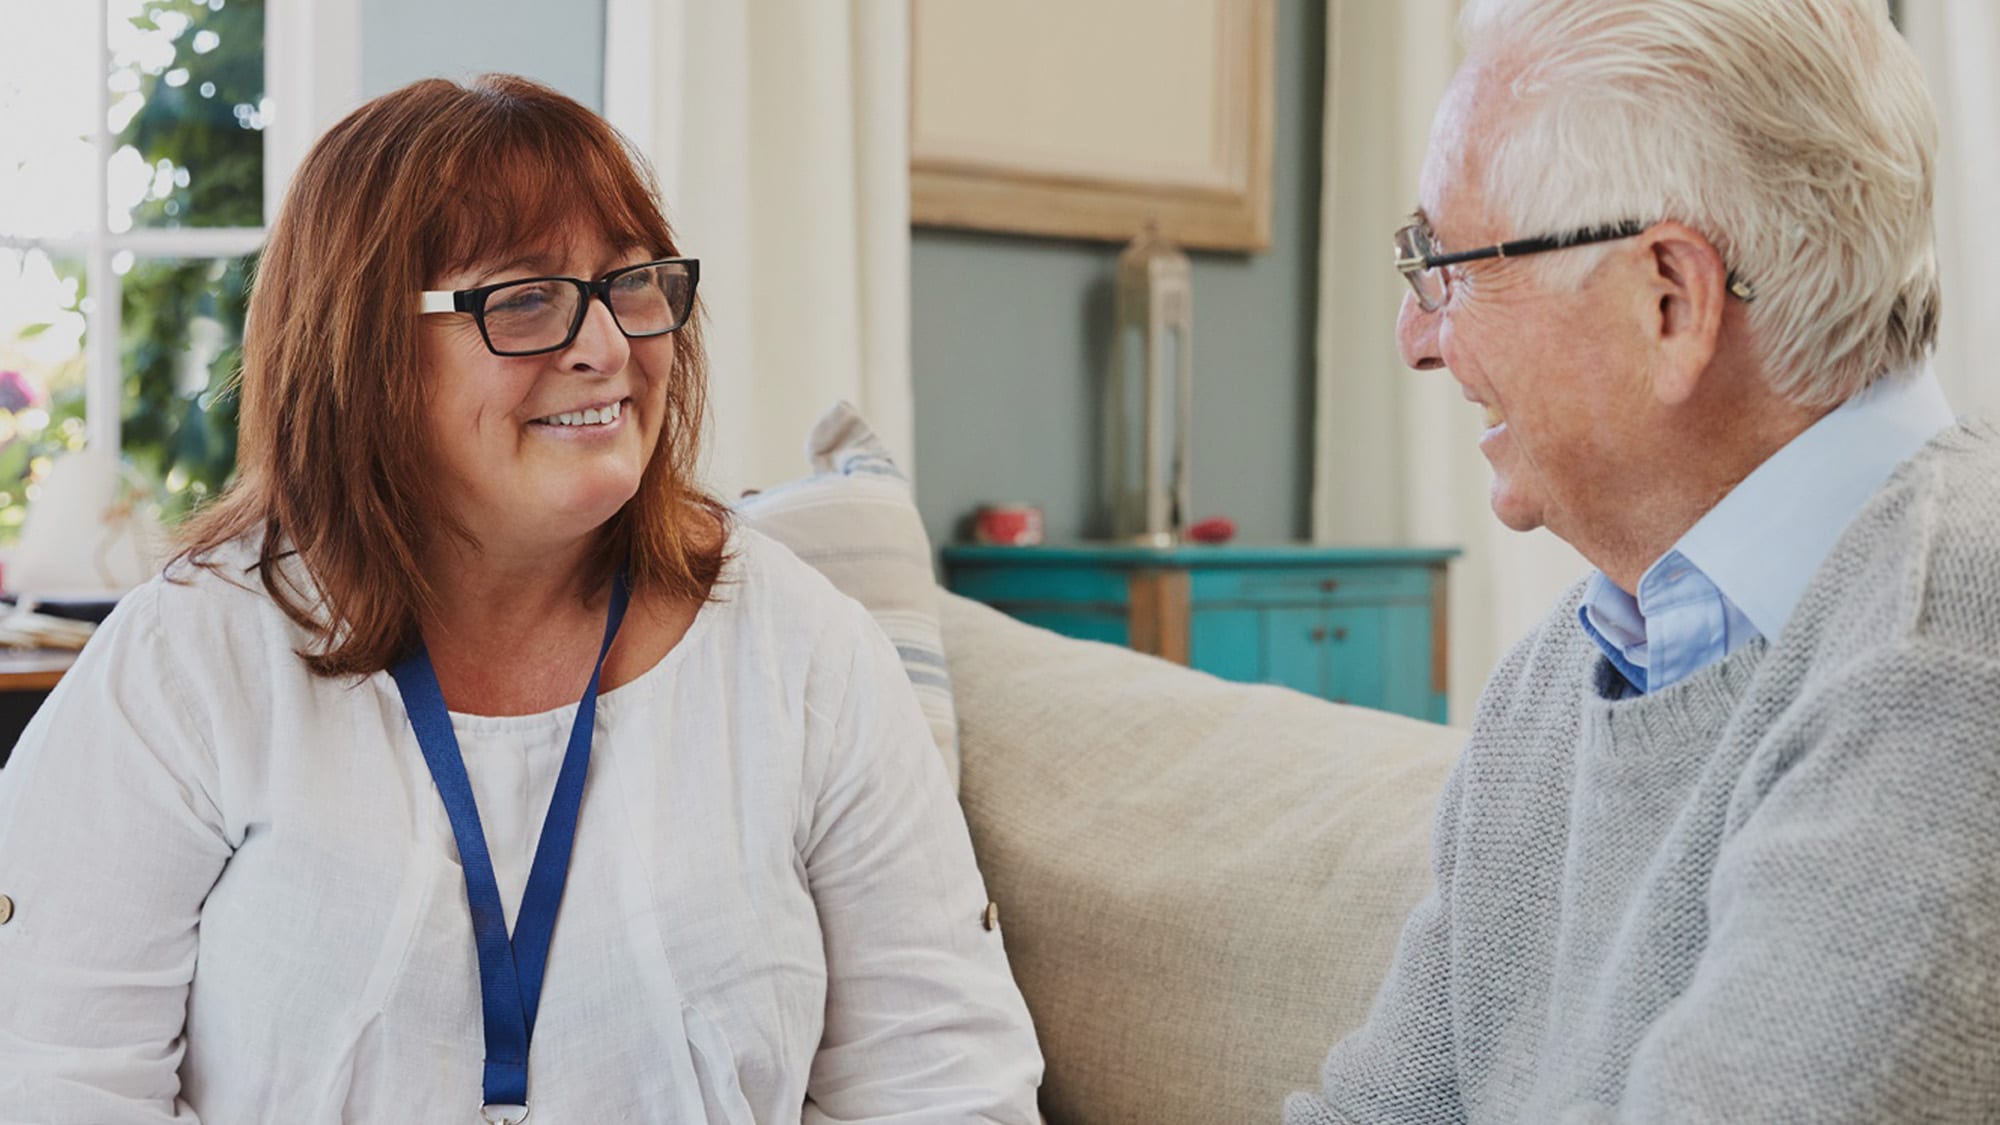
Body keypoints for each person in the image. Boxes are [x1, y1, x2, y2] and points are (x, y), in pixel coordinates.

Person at [0, 75, 1042, 1122]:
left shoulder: (800, 647)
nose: (606, 347)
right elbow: (54, 1081)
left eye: (632, 283)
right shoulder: (193, 654)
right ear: (361, 348)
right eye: (525, 298)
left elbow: (946, 1084)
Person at [1287, 1, 1999, 1122]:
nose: (1417, 337)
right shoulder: (1553, 680)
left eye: (1447, 264)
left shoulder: (1951, 642)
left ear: (1671, 298)